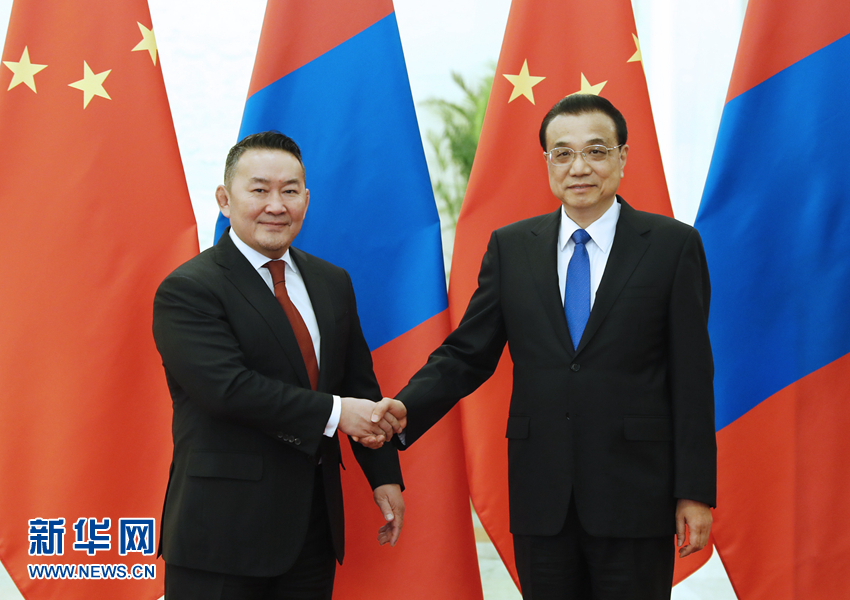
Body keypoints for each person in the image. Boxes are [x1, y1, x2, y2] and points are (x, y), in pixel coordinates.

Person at [375, 95, 716, 599]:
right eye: (563, 153)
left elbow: (692, 377)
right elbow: (468, 352)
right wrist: (406, 407)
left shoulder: (672, 246)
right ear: (547, 163)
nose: (579, 167)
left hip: (636, 495)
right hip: (542, 495)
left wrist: (694, 492)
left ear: (622, 157)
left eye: (596, 151)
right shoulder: (512, 248)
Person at [153, 131, 404, 600]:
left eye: (290, 191)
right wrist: (336, 413)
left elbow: (358, 383)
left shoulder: (332, 281)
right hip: (221, 533)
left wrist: (383, 473)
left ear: (306, 200)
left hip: (312, 529)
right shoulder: (189, 289)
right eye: (259, 190)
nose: (276, 205)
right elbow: (228, 390)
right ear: (225, 200)